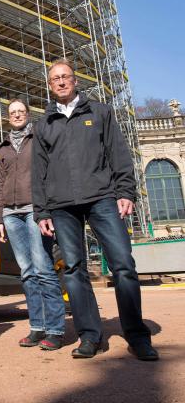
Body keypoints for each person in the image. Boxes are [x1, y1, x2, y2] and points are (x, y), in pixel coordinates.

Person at [32, 58, 159, 360]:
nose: (61, 82)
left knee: (123, 266)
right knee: (74, 271)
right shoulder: (43, 124)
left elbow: (118, 153)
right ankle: (90, 336)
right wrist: (42, 212)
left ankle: (137, 335)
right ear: (50, 86)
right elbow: (38, 172)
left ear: (75, 81)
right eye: (55, 79)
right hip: (62, 206)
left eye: (66, 77)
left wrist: (126, 191)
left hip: (102, 197)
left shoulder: (100, 112)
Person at [0, 99, 65, 351]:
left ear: (27, 114)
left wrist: (48, 209)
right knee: (26, 272)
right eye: (12, 112)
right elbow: (0, 185)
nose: (16, 115)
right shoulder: (3, 148)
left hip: (35, 211)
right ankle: (37, 327)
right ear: (8, 117)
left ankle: (56, 329)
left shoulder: (38, 139)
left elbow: (50, 173)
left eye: (20, 112)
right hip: (11, 215)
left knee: (44, 268)